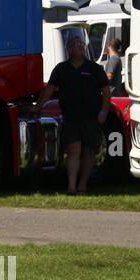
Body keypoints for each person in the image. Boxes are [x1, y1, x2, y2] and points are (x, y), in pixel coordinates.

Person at [38, 34, 112, 195]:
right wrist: (37, 107)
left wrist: (104, 112)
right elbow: (49, 90)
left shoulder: (94, 69)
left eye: (81, 44)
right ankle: (71, 187)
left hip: (91, 118)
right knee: (73, 150)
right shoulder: (61, 69)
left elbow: (106, 92)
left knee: (88, 152)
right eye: (75, 44)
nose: (79, 46)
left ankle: (82, 186)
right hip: (70, 118)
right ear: (68, 49)